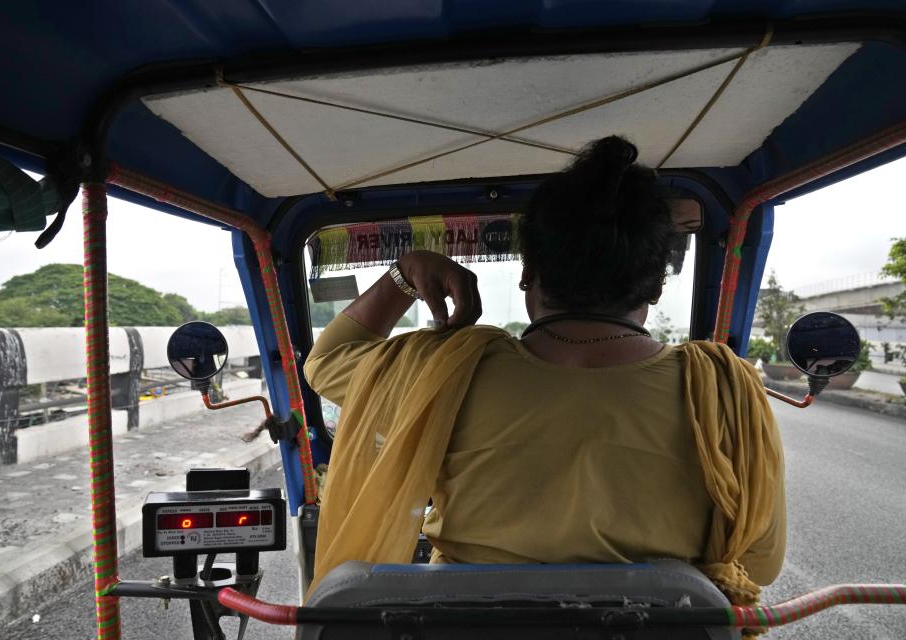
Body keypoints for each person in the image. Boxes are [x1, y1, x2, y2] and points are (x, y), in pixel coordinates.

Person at [303, 136, 785, 606]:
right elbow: (758, 564)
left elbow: (325, 362)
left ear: (528, 270)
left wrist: (406, 272)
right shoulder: (726, 388)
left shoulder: (445, 367)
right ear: (657, 285)